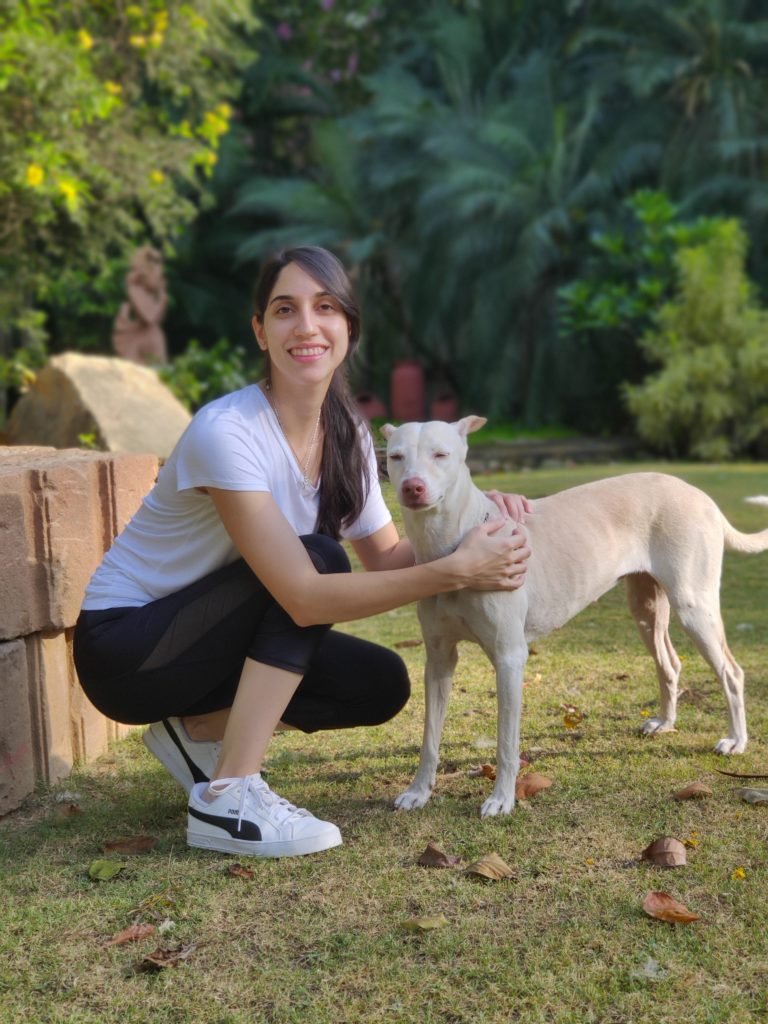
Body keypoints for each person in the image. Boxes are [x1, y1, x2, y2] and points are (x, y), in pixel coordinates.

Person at [73, 245, 531, 860]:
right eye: (285, 310)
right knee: (317, 558)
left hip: (211, 642)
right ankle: (228, 797)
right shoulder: (226, 431)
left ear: (348, 328)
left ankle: (196, 733)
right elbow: (303, 595)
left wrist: (471, 518)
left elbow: (392, 559)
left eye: (325, 308)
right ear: (260, 331)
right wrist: (454, 570)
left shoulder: (349, 437)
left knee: (379, 684)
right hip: (129, 646)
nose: (307, 326)